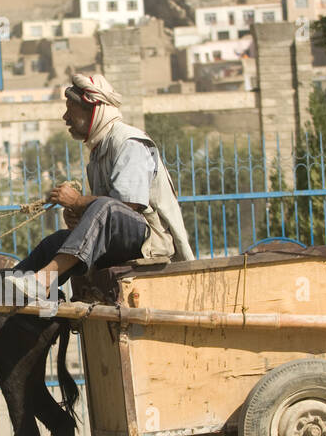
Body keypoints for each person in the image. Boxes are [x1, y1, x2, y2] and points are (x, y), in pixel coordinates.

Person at [11, 72, 194, 300]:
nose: (65, 117)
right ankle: (7, 284)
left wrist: (78, 202)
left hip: (151, 240)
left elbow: (126, 205)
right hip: (121, 235)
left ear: (93, 109)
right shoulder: (98, 151)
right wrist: (79, 216)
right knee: (57, 241)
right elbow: (104, 214)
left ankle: (43, 280)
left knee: (106, 208)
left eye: (71, 109)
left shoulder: (128, 142)